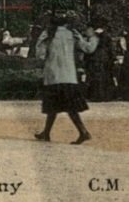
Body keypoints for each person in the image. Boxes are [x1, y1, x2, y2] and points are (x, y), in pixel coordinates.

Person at [34, 12, 98, 144]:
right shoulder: (72, 33)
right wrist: (93, 37)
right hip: (69, 75)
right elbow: (88, 49)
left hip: (53, 74)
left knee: (53, 106)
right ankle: (47, 133)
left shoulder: (48, 34)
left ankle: (82, 132)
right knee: (69, 106)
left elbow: (40, 54)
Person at [84, 19, 116, 102]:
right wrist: (112, 58)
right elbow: (111, 48)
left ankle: (95, 95)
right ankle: (106, 96)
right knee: (106, 76)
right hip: (105, 57)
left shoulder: (93, 35)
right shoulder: (107, 35)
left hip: (95, 57)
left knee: (95, 77)